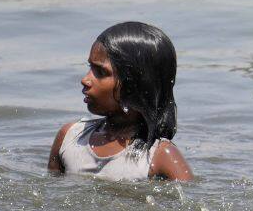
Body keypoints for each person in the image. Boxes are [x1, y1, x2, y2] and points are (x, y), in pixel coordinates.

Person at [48, 22, 192, 181]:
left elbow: (191, 199)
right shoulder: (69, 137)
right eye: (90, 67)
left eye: (101, 72)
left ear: (134, 87)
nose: (85, 80)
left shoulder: (159, 156)